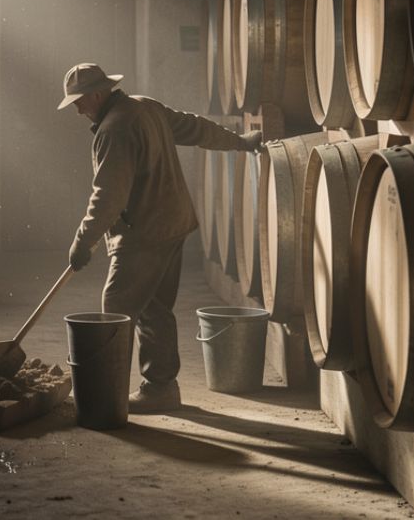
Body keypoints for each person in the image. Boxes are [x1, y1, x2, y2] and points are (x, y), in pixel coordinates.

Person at [57, 62, 262, 413]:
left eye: (78, 100)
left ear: (96, 94)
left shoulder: (113, 130)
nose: (76, 108)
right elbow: (196, 129)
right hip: (174, 225)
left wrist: (83, 241)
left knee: (117, 308)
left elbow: (108, 196)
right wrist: (240, 143)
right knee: (154, 307)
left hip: (144, 234)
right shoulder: (144, 106)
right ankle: (161, 388)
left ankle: (108, 395)